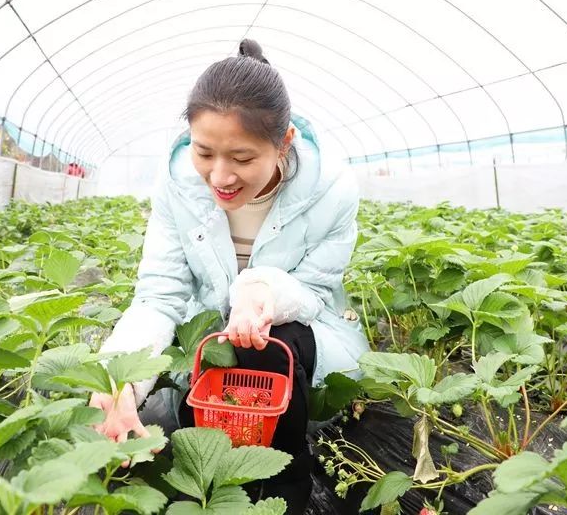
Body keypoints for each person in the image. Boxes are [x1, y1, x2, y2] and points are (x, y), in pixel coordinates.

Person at [89, 39, 369, 512]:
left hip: (300, 331)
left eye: (241, 159)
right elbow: (160, 295)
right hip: (209, 332)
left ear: (284, 143)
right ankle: (206, 487)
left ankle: (281, 490)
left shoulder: (332, 191)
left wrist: (262, 290)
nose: (220, 176)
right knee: (207, 375)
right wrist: (120, 381)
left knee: (263, 345)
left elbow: (317, 291)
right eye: (204, 153)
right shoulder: (177, 185)